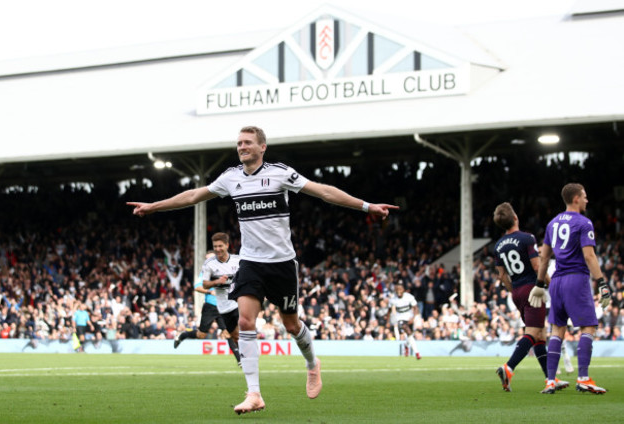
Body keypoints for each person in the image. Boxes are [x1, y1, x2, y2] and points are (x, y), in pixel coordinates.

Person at [128, 125, 398, 414]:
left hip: (282, 264)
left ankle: (312, 363)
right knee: (245, 322)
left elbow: (324, 192)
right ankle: (254, 393)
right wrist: (154, 206)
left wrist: (366, 206)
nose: (241, 146)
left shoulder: (280, 173)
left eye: (247, 142)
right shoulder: (231, 178)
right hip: (251, 262)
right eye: (239, 142)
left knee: (292, 325)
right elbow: (193, 196)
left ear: (262, 147)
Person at [529, 183, 611, 394]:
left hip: (556, 282)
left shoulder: (552, 223)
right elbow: (589, 255)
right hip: (576, 279)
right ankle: (583, 377)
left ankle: (550, 380)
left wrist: (539, 284)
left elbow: (544, 257)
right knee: (588, 327)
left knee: (557, 329)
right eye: (584, 196)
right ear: (575, 199)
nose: (587, 200)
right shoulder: (584, 223)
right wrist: (602, 282)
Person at [491, 202, 568, 392]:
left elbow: (502, 276)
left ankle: (551, 379)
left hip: (517, 291)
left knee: (540, 335)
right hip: (532, 290)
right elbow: (536, 266)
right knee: (533, 333)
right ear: (515, 217)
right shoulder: (527, 238)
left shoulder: (498, 246)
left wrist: (514, 291)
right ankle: (508, 368)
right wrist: (553, 286)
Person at [176, 233, 242, 366]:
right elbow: (198, 286)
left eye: (220, 247)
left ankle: (240, 359)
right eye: (215, 248)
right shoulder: (207, 268)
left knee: (228, 332)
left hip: (227, 305)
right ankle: (183, 335)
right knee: (201, 335)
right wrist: (211, 289)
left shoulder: (235, 261)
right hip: (211, 305)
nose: (217, 251)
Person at [388, 283, 422, 359]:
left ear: (404, 290)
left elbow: (416, 308)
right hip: (400, 318)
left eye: (400, 289)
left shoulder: (409, 297)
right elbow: (389, 310)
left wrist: (413, 318)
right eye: (397, 290)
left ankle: (406, 345)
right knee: (408, 331)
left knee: (410, 334)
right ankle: (417, 353)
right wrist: (388, 321)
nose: (399, 291)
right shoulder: (393, 299)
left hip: (410, 317)